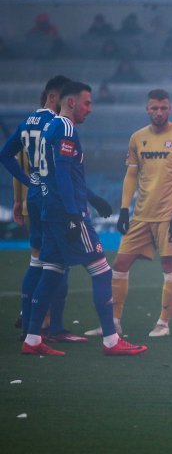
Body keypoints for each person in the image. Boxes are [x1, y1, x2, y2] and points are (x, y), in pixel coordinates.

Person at [22, 81, 146, 356]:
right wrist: (72, 214)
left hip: (49, 209)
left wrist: (92, 197)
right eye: (87, 103)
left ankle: (31, 339)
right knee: (102, 270)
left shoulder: (49, 128)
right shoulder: (65, 127)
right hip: (67, 210)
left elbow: (57, 173)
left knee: (52, 270)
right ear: (70, 102)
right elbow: (63, 175)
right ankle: (112, 341)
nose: (90, 109)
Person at [84, 89, 172, 338]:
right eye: (154, 108)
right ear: (147, 109)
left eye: (163, 108)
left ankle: (163, 323)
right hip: (141, 215)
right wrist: (124, 209)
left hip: (168, 215)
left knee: (169, 265)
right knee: (120, 264)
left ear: (170, 109)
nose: (159, 112)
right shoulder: (137, 137)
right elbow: (131, 174)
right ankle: (113, 323)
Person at [0, 75, 95, 343]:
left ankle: (30, 320)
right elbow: (61, 170)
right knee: (58, 263)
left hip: (34, 196)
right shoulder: (56, 125)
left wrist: (25, 185)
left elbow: (7, 155)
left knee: (37, 261)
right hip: (54, 199)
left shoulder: (28, 121)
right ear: (54, 97)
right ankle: (53, 327)